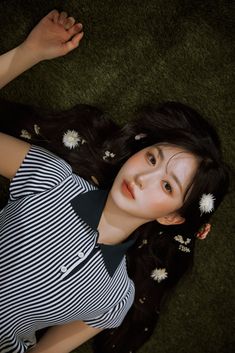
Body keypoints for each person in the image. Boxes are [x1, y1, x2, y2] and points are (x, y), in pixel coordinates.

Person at [0, 9, 229, 353]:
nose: (144, 177)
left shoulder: (115, 299)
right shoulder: (52, 177)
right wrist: (29, 53)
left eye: (167, 186)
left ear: (172, 216)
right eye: (152, 158)